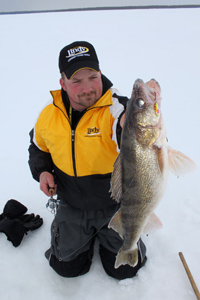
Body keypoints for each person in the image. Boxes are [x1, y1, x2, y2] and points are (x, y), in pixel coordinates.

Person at [28, 41, 146, 280]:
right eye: (76, 81)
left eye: (92, 77)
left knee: (124, 269)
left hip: (114, 204)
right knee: (66, 268)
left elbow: (126, 127)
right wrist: (43, 172)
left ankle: (112, 238)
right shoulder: (49, 115)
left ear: (100, 73)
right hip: (71, 202)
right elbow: (38, 147)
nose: (88, 88)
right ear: (62, 83)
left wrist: (133, 123)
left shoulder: (115, 108)